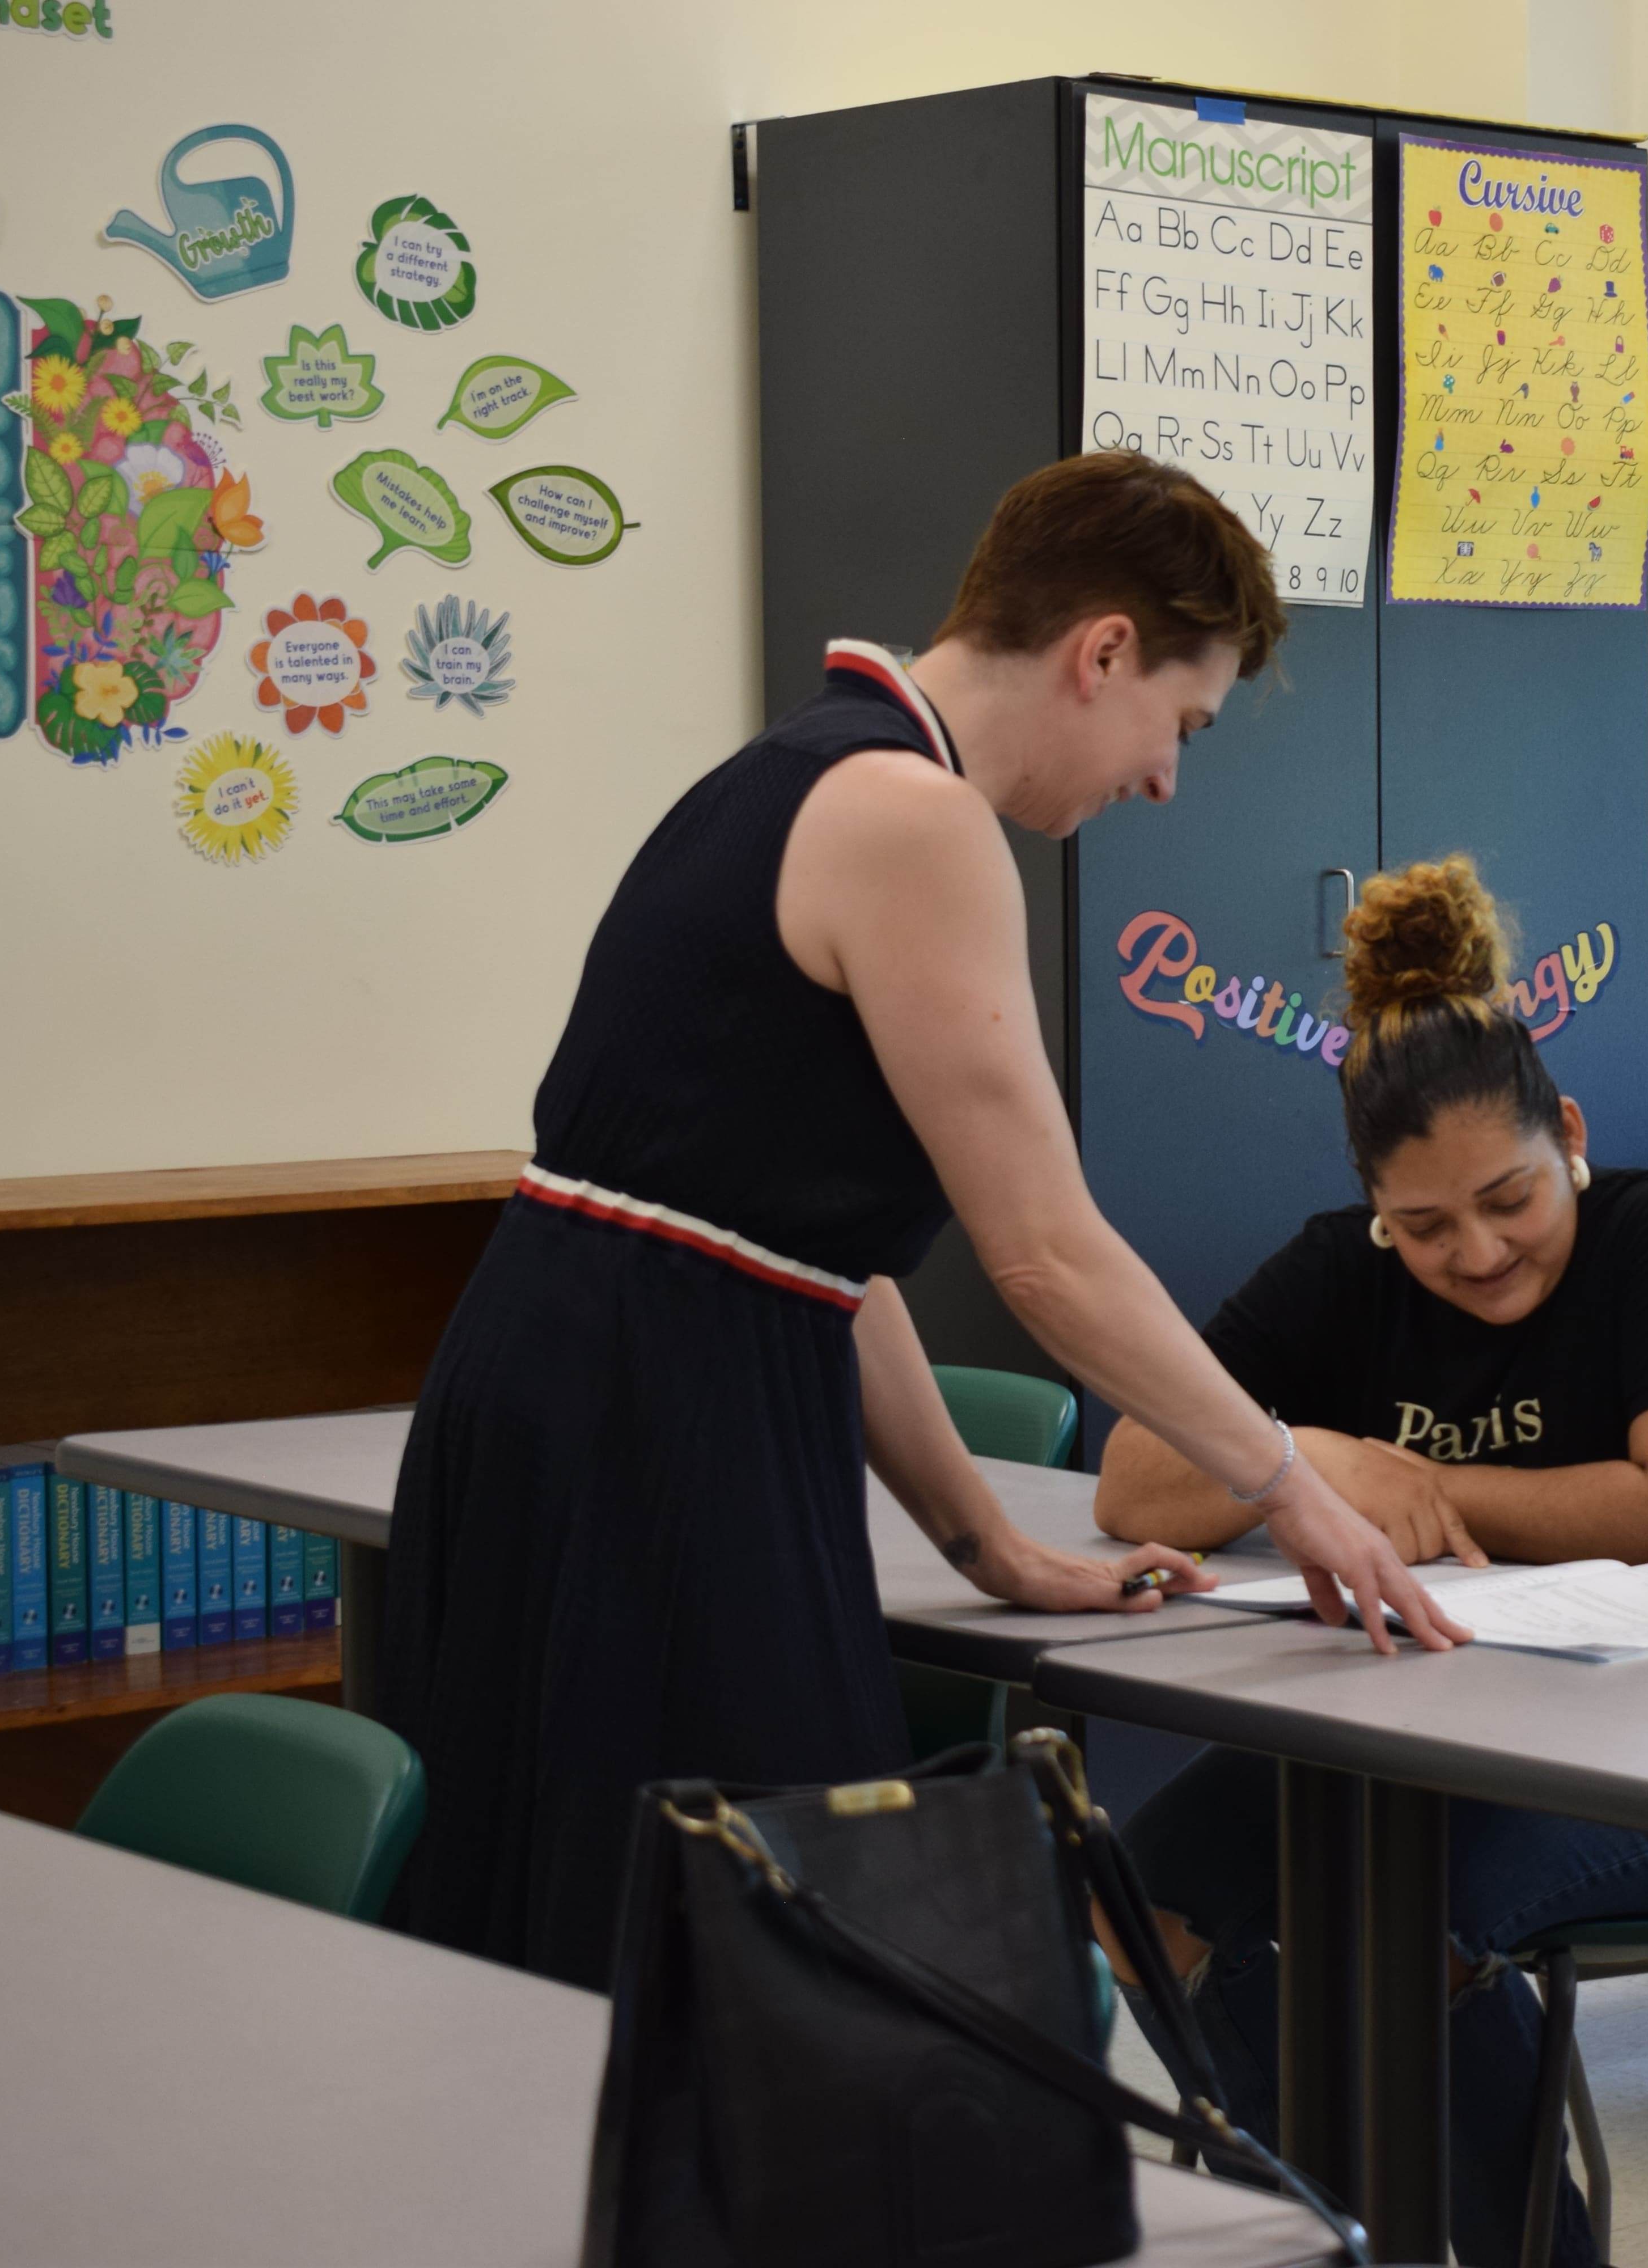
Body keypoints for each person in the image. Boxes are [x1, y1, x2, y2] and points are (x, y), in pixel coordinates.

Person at [382, 454, 1458, 1992]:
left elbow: (816, 1263)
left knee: (578, 1924)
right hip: (661, 1421)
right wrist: (1290, 1486)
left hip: (574, 1381)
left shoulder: (797, 770)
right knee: (755, 1958)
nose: (1164, 781)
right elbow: (1047, 1252)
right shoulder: (918, 820)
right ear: (1100, 654)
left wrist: (988, 1543)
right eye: (1183, 722)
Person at [1097, 854, 1648, 2268]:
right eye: (1423, 1227)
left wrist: (1395, 1479)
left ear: (1573, 1134)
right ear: (1372, 1210)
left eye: (1511, 1198)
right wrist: (1318, 1470)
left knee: (1387, 1936)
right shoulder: (1334, 1271)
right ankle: (1350, 2231)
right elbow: (1132, 1482)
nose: (1477, 1252)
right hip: (1412, 1735)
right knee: (1131, 1905)